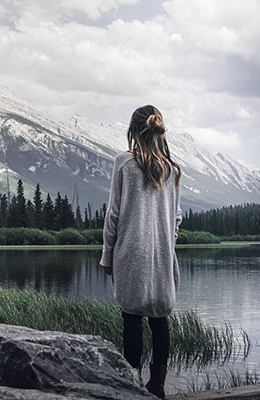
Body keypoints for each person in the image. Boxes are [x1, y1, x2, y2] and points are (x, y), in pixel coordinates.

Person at [99, 105, 182, 399]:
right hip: (161, 256)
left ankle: (132, 385)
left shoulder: (125, 163)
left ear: (133, 130)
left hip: (130, 255)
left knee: (131, 320)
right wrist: (165, 244)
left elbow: (114, 215)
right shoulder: (171, 169)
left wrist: (107, 255)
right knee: (160, 320)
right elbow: (176, 218)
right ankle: (157, 385)